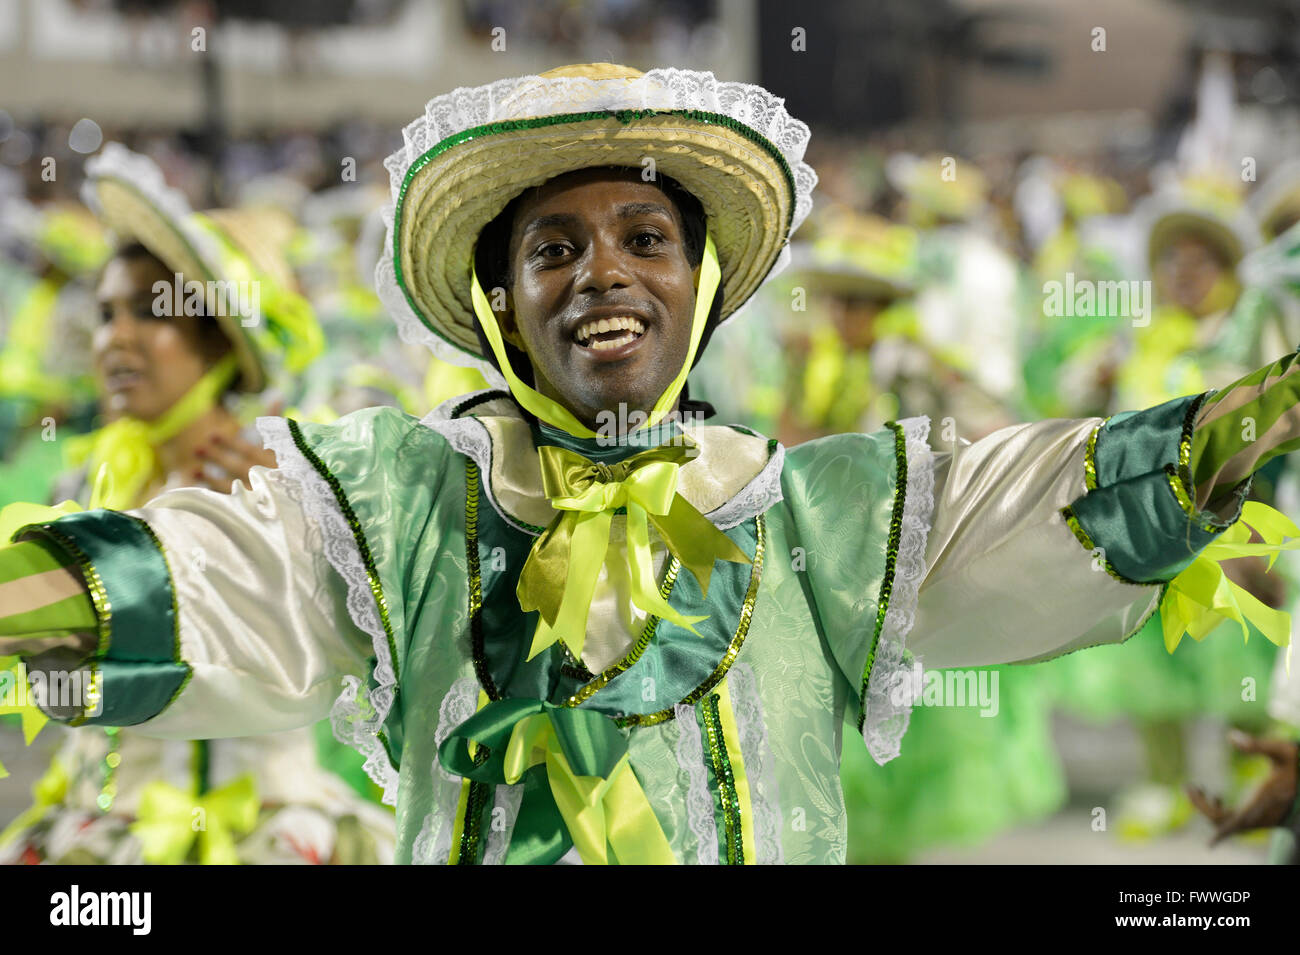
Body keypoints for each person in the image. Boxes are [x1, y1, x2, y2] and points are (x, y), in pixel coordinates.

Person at [1, 63, 1299, 865]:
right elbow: (212, 582)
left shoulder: (813, 511)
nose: (604, 269)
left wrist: (1260, 411)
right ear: (502, 304)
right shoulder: (399, 505)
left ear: (703, 283)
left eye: (644, 235)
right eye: (552, 248)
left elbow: (1039, 496)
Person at [0, 144, 395, 865]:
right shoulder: (75, 490)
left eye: (151, 312)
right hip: (94, 836)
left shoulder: (283, 481)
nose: (115, 337)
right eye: (105, 313)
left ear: (220, 341)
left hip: (265, 836)